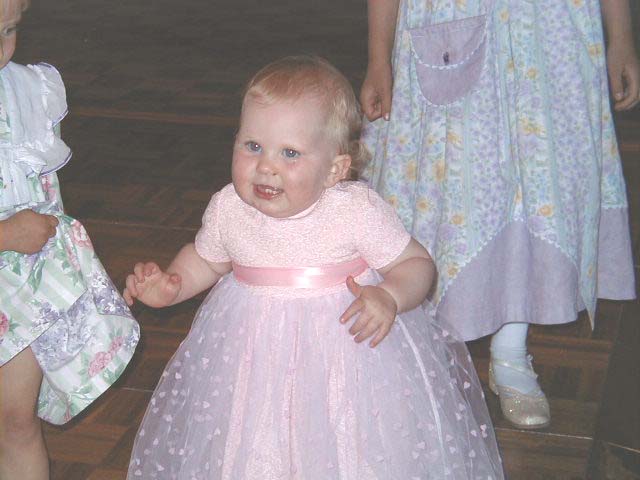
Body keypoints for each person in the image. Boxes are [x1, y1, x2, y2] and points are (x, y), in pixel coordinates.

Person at [124, 55, 503, 479]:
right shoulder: (229, 208)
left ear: (334, 170)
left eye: (290, 153)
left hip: (345, 360)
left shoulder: (354, 211)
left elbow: (416, 263)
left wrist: (390, 295)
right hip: (255, 361)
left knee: (352, 449)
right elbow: (206, 259)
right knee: (255, 445)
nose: (266, 166)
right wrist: (173, 285)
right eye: (253, 146)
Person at [360, 0, 638, 429]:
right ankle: (431, 346)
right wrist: (378, 57)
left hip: (551, 35)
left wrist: (621, 37)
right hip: (451, 23)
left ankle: (510, 348)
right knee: (452, 186)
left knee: (541, 187)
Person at [0, 1, 140, 478]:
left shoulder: (28, 93)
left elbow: (44, 195)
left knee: (15, 421)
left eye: (9, 30)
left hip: (19, 293)